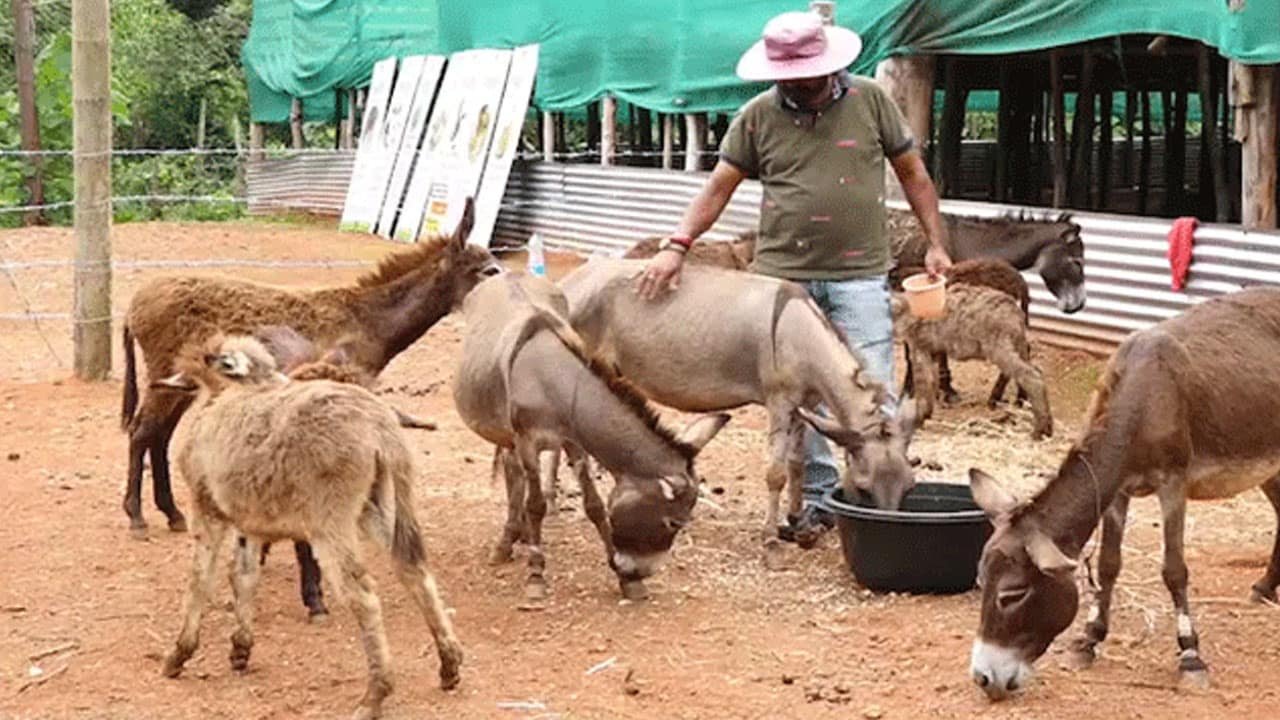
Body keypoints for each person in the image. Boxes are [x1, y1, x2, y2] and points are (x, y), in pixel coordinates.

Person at [635, 10, 952, 541]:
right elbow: (718, 188)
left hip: (858, 275)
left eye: (805, 71)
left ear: (829, 64)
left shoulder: (872, 100)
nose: (795, 81)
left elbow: (914, 175)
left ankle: (883, 487)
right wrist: (677, 245)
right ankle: (824, 497)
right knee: (799, 394)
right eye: (786, 73)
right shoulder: (758, 116)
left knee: (870, 385)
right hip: (782, 284)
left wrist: (937, 243)